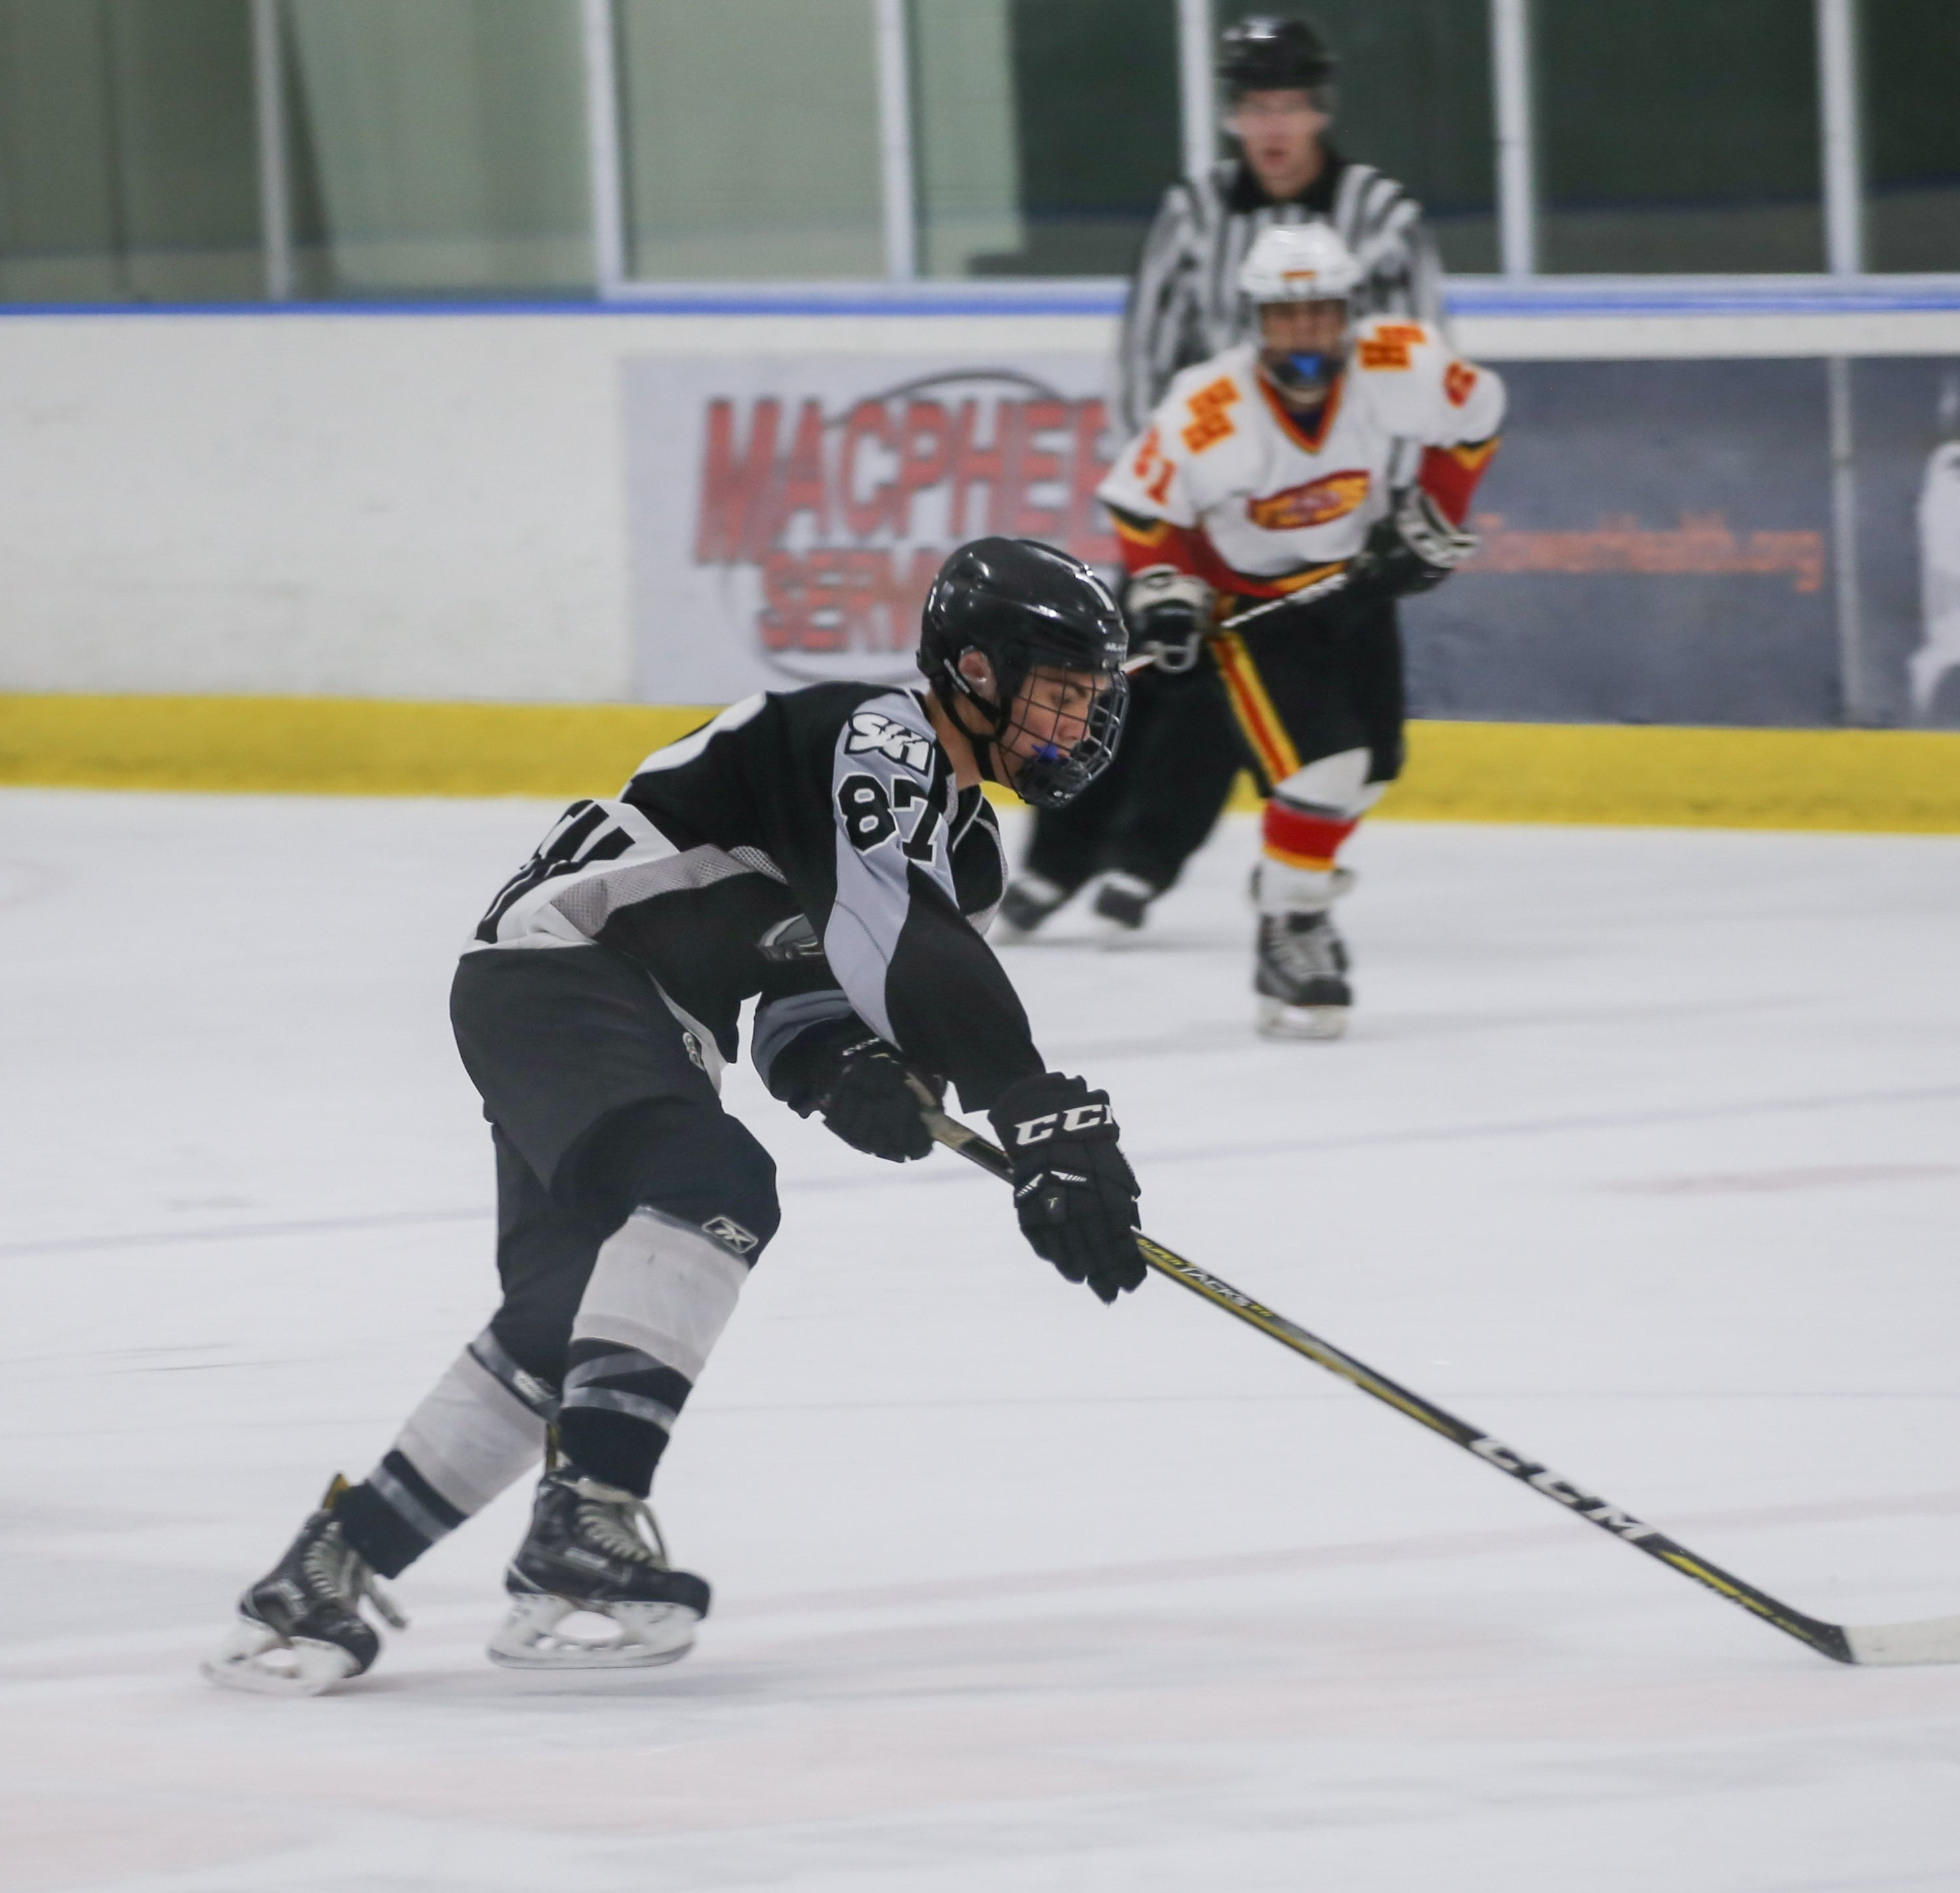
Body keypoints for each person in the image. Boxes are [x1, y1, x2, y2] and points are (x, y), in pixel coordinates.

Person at [201, 539, 1150, 1694]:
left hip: (639, 1018)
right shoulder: (877, 735)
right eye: (1060, 691)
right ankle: (586, 1521)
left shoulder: (970, 853)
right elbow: (897, 928)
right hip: (568, 968)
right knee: (712, 1187)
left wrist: (850, 1070)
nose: (1078, 721)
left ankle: (328, 1571)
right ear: (977, 670)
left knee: (566, 1321)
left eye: (1090, 697)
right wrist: (1035, 1109)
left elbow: (820, 993)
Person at [1002, 14, 1448, 945]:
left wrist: (1396, 506)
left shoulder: (1381, 218)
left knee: (1239, 699)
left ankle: (1145, 857)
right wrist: (1165, 498)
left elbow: (1418, 365)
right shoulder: (1194, 211)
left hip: (1327, 518)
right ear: (1233, 117)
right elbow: (1144, 354)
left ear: (1319, 110)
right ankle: (1059, 855)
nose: (1272, 126)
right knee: (1132, 669)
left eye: (1288, 105)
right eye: (1255, 107)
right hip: (1202, 501)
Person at [1094, 223, 1505, 1039]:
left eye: (1322, 311)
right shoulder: (1210, 406)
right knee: (1326, 765)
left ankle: (1290, 878)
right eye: (1287, 315)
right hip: (1251, 609)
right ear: (1257, 321)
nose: (1307, 330)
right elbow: (1143, 505)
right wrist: (1167, 591)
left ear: (1347, 311)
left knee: (1374, 767)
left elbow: (1476, 412)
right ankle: (1293, 927)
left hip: (1355, 590)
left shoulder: (1396, 361)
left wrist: (1433, 514)